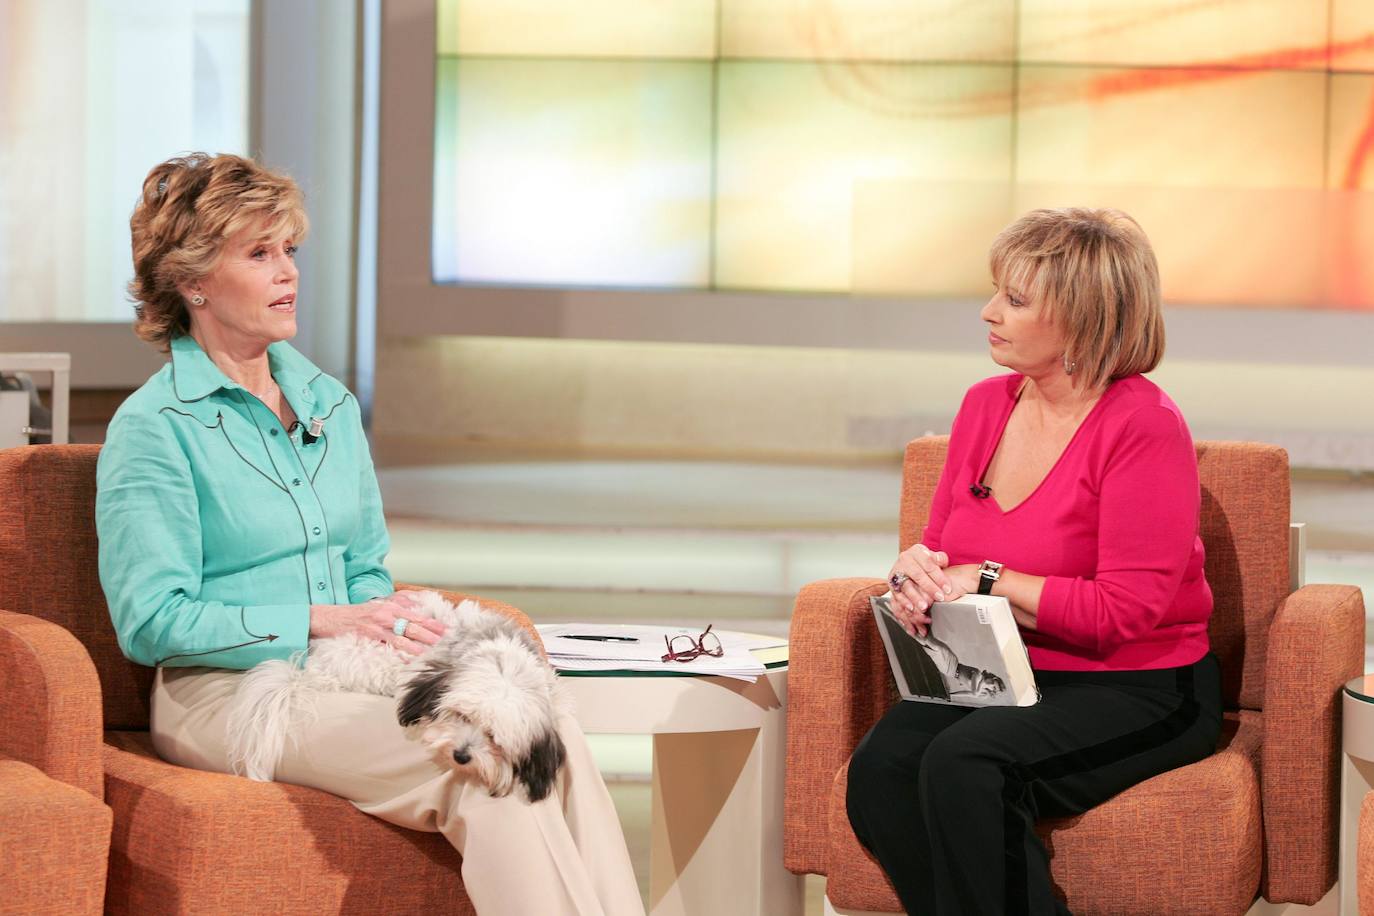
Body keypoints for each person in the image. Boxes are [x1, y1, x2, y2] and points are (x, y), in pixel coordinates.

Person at [96, 153, 644, 916]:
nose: (287, 271)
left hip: (341, 673)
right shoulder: (156, 428)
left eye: (289, 249)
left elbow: (362, 570)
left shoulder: (329, 402)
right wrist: (319, 620)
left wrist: (389, 628)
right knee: (476, 767)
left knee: (548, 736)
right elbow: (151, 621)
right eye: (258, 254)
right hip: (228, 697)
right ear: (192, 283)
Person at [845, 208, 1222, 915]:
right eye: (997, 292)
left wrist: (986, 579)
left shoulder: (1142, 424)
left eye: (1015, 300)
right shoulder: (984, 405)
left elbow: (1125, 614)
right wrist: (917, 572)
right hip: (1003, 671)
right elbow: (944, 544)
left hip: (1143, 686)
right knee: (880, 772)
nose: (989, 312)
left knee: (968, 766)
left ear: (1082, 317)